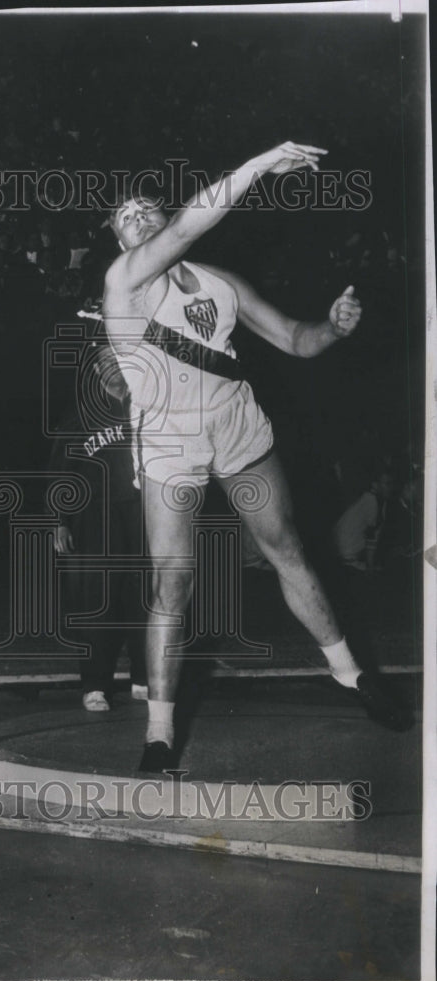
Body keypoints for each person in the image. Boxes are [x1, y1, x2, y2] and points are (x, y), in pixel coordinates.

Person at [102, 141, 413, 773]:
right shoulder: (125, 281)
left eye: (144, 209)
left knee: (288, 549)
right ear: (120, 242)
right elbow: (195, 219)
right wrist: (260, 165)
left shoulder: (222, 284)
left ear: (162, 218)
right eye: (123, 218)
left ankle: (352, 676)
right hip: (169, 437)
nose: (135, 218)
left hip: (237, 422)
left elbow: (297, 341)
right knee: (174, 581)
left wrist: (334, 326)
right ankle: (160, 734)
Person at [51, 337, 148, 710]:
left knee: (143, 597)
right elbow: (60, 471)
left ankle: (144, 678)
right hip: (97, 516)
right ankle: (95, 685)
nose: (114, 367)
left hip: (141, 514)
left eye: (119, 359)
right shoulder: (80, 415)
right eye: (106, 361)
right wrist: (60, 520)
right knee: (98, 600)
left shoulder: (146, 408)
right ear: (95, 370)